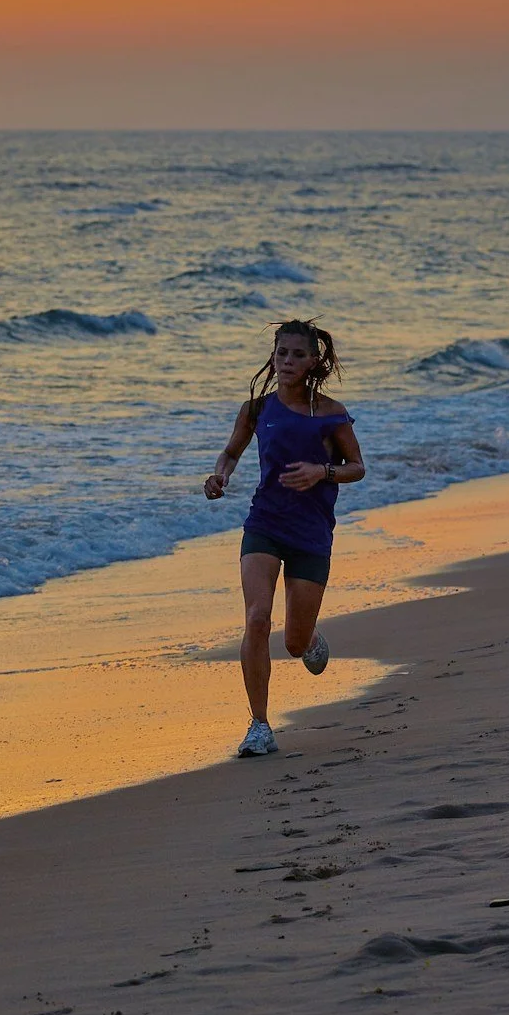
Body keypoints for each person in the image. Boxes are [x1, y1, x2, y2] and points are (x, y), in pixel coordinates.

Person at [203, 319, 366, 757]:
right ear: (272, 359)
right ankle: (259, 725)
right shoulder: (256, 410)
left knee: (294, 642)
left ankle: (310, 638)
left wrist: (322, 472)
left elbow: (357, 466)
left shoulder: (330, 413)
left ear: (314, 361)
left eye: (297, 354)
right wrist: (219, 475)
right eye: (281, 354)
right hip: (265, 524)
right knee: (257, 617)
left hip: (311, 533)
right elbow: (231, 451)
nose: (288, 361)